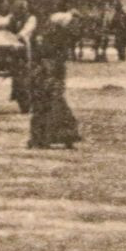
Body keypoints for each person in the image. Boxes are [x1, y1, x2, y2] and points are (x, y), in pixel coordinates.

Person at [28, 11, 82, 150]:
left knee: (45, 104)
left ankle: (40, 137)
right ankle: (56, 136)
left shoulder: (50, 36)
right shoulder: (58, 37)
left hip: (46, 73)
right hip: (49, 73)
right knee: (52, 103)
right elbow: (50, 57)